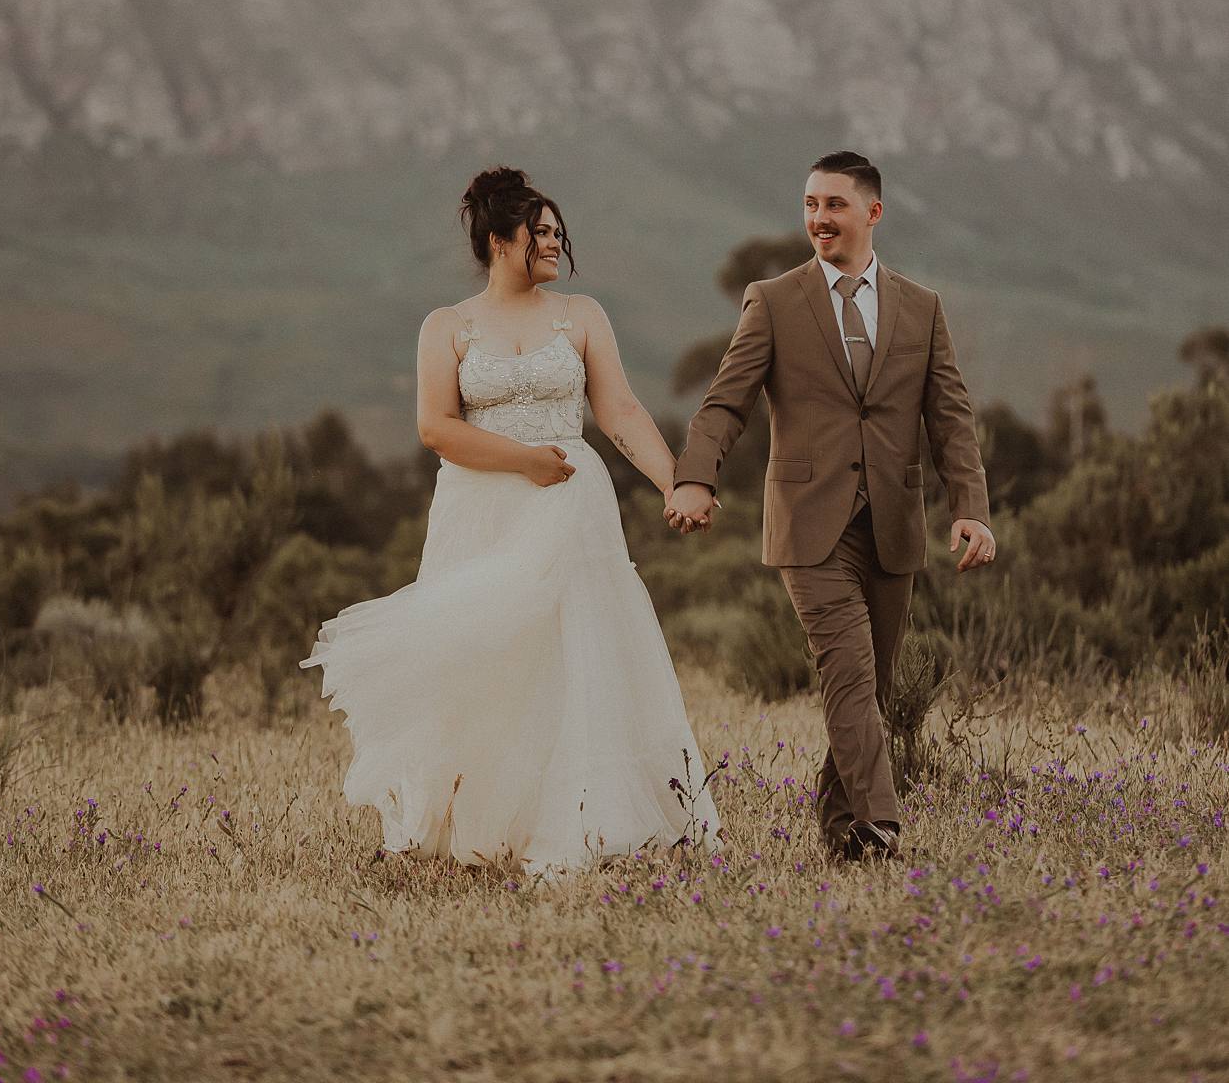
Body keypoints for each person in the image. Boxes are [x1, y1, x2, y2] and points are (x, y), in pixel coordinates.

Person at [299, 164, 720, 882]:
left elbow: (619, 410)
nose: (554, 243)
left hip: (571, 506)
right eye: (540, 233)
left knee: (574, 654)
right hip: (480, 506)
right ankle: (472, 819)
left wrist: (676, 483)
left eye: (558, 233)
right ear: (498, 240)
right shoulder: (446, 326)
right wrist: (524, 461)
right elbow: (436, 428)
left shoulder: (582, 315)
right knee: (480, 656)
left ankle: (578, 816)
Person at [664, 149, 996, 865]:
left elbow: (950, 418)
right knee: (848, 672)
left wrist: (969, 507)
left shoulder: (921, 307)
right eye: (810, 204)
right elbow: (726, 402)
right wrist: (696, 477)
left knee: (871, 689)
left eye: (834, 204)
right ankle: (880, 827)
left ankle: (841, 830)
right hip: (808, 525)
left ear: (872, 212)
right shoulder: (773, 300)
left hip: (894, 525)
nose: (818, 218)